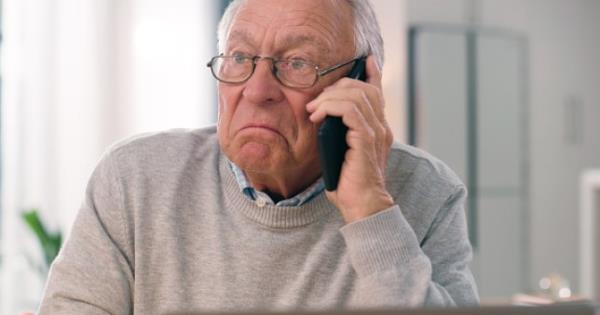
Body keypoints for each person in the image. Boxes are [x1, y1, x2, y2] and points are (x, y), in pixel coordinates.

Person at [37, 0, 479, 314]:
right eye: (240, 57)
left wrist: (371, 213)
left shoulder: (428, 192)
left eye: (298, 63)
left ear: (361, 84)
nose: (257, 90)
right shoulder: (133, 178)